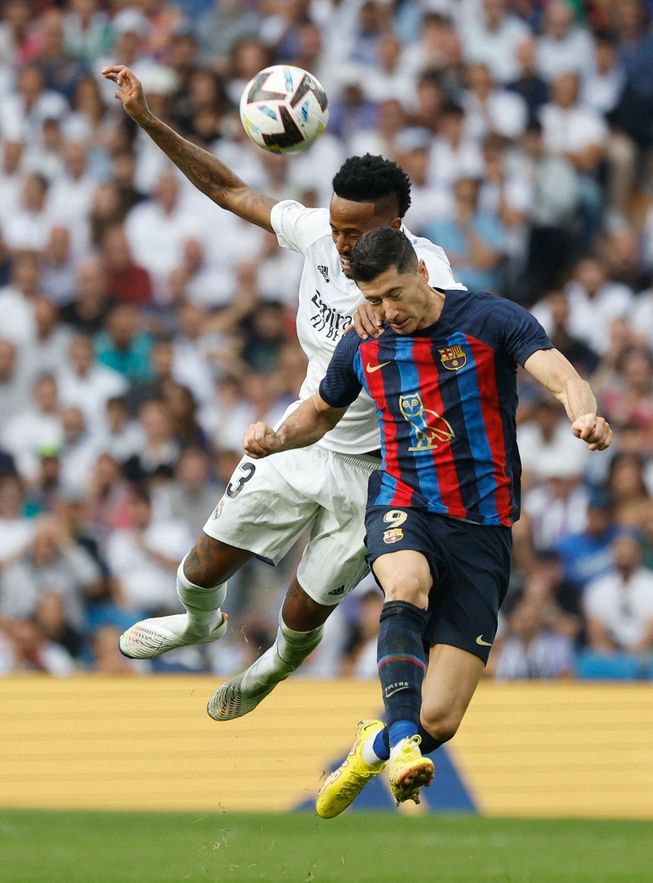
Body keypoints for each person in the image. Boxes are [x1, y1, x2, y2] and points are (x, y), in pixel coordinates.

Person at [99, 65, 460, 717]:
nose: (346, 246)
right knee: (202, 567)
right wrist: (149, 120)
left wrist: (396, 304)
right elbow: (230, 189)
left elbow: (443, 304)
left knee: (300, 609)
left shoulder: (426, 267)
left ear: (399, 225)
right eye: (340, 230)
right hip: (303, 434)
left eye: (361, 233)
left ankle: (272, 667)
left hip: (379, 472)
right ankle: (197, 621)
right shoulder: (319, 236)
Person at [241, 228, 612, 814]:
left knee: (441, 716)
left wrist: (584, 415)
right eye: (374, 300)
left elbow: (562, 373)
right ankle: (404, 741)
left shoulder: (490, 319)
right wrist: (277, 437)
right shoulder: (364, 342)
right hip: (403, 498)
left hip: (483, 527)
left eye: (394, 294)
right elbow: (320, 411)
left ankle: (377, 746)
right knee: (406, 584)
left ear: (420, 271)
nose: (387, 312)